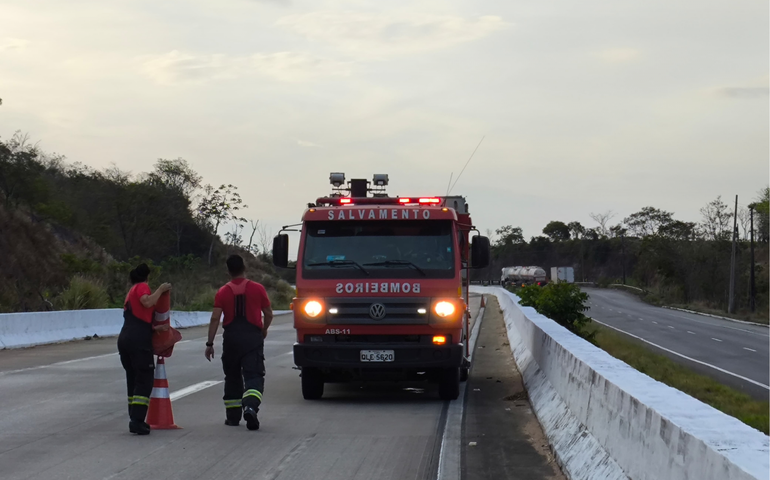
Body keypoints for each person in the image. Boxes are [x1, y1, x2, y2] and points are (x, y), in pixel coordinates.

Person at [205, 255, 273, 430]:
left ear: (228, 271)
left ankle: (233, 417)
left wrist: (210, 344)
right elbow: (269, 313)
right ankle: (250, 407)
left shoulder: (223, 291)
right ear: (245, 267)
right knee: (254, 376)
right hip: (252, 338)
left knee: (232, 377)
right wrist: (264, 329)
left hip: (231, 339)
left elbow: (214, 319)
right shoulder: (258, 289)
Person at [118, 264, 171, 435]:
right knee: (145, 379)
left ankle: (134, 417)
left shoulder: (130, 293)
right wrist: (161, 289)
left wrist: (155, 329)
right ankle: (137, 420)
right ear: (146, 278)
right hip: (138, 341)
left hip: (126, 338)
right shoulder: (141, 287)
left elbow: (138, 319)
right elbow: (147, 302)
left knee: (133, 380)